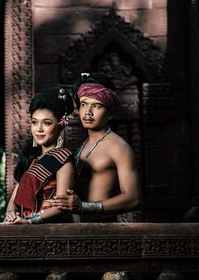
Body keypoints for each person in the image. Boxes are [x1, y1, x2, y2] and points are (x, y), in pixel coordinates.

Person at [50, 71, 140, 221]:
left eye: (96, 106)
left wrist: (85, 207)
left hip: (102, 228)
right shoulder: (82, 146)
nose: (88, 112)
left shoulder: (118, 147)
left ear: (110, 113)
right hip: (77, 228)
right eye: (84, 104)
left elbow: (133, 199)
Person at [2, 86, 75, 224]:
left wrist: (30, 221)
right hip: (24, 224)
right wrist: (10, 213)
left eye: (47, 123)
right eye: (34, 122)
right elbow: (13, 200)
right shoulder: (32, 160)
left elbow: (62, 207)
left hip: (52, 227)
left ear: (60, 126)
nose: (39, 129)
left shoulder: (63, 160)